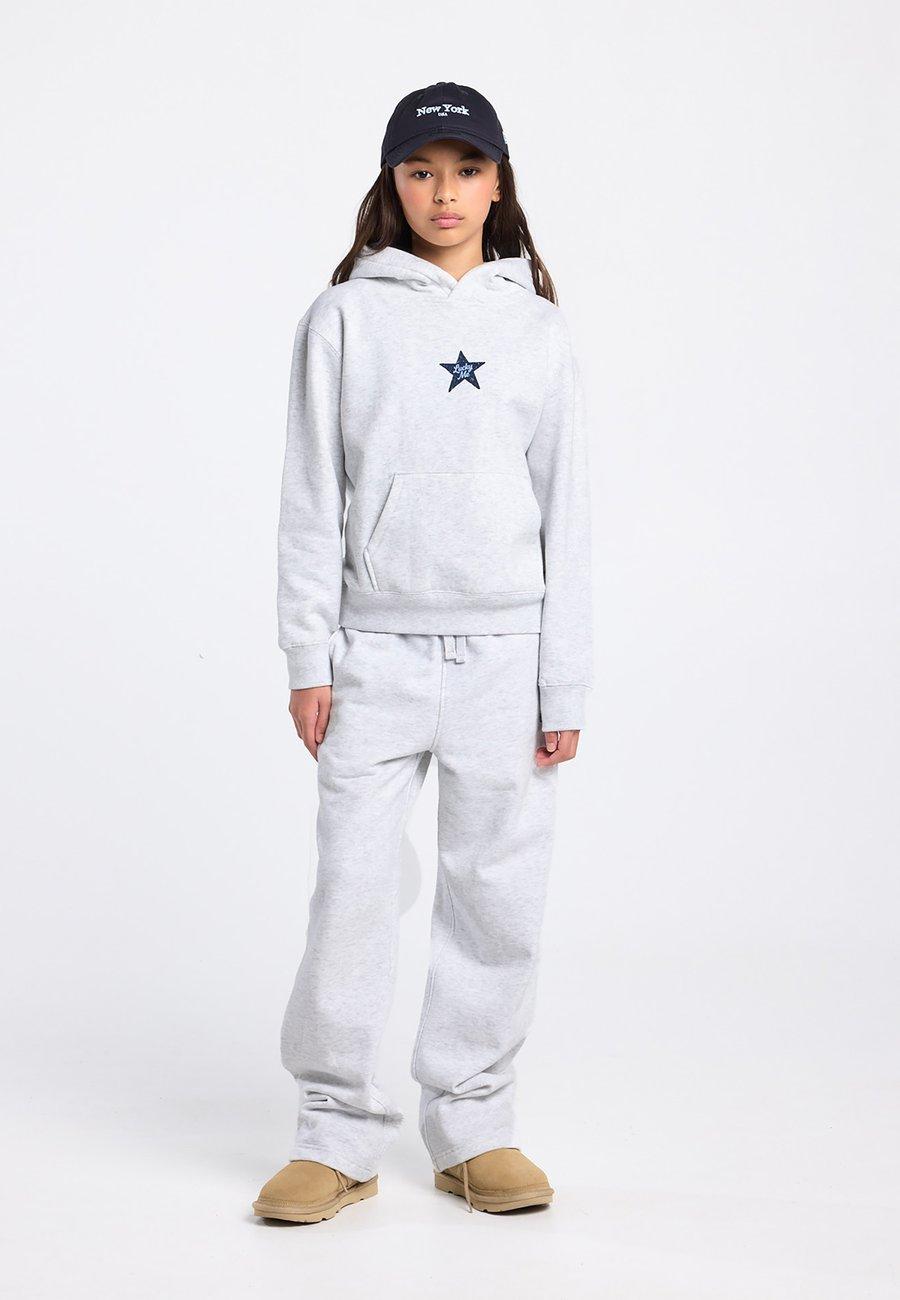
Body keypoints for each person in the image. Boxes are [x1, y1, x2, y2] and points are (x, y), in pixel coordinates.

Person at [252, 81, 593, 1222]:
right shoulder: (343, 318)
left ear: (499, 185)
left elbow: (570, 512)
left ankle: (475, 1126)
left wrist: (563, 677)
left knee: (496, 896)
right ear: (392, 186)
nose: (445, 192)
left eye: (467, 169)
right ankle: (334, 1135)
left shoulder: (538, 330)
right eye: (422, 170)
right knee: (353, 889)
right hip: (375, 656)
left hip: (508, 655)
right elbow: (312, 496)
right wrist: (309, 657)